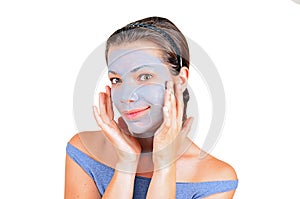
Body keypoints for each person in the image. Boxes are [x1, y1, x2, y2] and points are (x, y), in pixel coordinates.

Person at [65, 16, 238, 199]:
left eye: (145, 76)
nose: (127, 96)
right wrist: (126, 163)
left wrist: (164, 165)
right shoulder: (84, 151)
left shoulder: (214, 178)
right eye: (117, 80)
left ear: (180, 80)